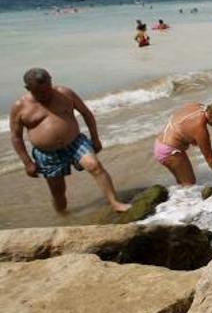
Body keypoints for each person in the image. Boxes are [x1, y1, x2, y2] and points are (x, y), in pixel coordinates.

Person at [9, 69, 131, 213]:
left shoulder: (65, 93)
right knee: (58, 192)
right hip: (47, 153)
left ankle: (115, 203)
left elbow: (86, 113)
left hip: (75, 142)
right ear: (28, 89)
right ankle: (62, 215)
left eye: (48, 89)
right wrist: (27, 163)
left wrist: (95, 138)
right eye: (39, 93)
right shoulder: (20, 107)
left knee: (94, 166)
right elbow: (16, 137)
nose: (45, 95)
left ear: (51, 81)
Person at [154, 101, 212, 186]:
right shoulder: (200, 130)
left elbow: (183, 126)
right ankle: (183, 199)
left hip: (160, 145)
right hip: (170, 152)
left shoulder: (197, 106)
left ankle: (175, 197)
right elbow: (209, 157)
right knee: (190, 184)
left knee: (182, 182)